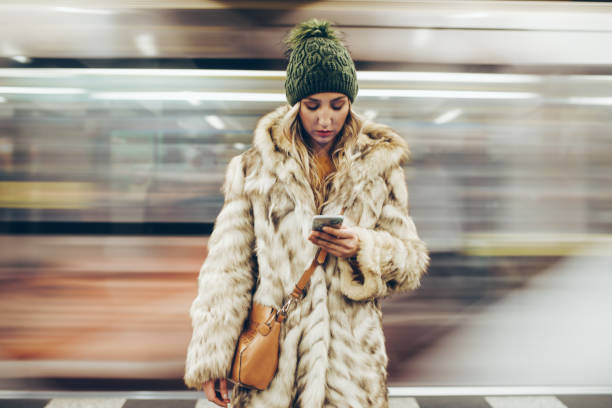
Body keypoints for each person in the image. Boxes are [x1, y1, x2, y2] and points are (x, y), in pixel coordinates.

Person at [184, 19, 429, 408]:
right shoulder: (255, 169)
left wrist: (362, 246)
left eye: (338, 104)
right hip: (274, 366)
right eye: (312, 105)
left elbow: (411, 260)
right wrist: (213, 357)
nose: (325, 119)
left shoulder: (379, 168)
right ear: (295, 103)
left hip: (349, 368)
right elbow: (227, 267)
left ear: (351, 102)